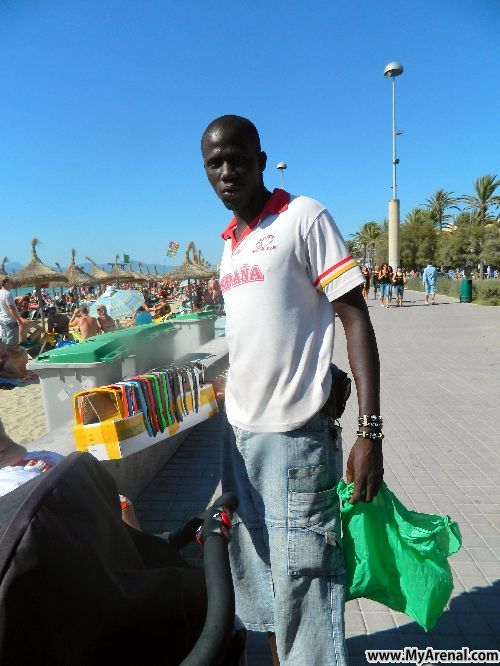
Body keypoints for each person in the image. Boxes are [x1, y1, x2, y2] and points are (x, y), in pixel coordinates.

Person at [201, 115, 382, 665]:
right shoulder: (229, 243)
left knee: (306, 588)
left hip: (295, 442)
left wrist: (370, 432)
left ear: (261, 159)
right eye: (215, 162)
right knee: (264, 592)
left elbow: (355, 320)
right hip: (239, 440)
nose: (227, 170)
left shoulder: (303, 217)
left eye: (238, 157)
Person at [0, 278, 29, 346]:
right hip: (10, 320)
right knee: (12, 343)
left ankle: (5, 355)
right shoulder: (7, 294)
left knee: (4, 341)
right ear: (6, 283)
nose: (12, 284)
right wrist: (18, 319)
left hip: (2, 319)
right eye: (11, 282)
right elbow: (11, 308)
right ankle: (11, 355)